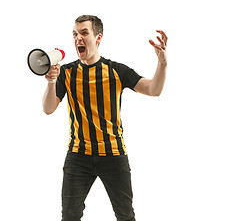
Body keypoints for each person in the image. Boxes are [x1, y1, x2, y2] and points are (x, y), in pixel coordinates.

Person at [42, 15, 167, 221]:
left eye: (84, 33)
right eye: (75, 34)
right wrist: (51, 82)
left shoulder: (116, 70)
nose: (78, 38)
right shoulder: (67, 72)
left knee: (125, 215)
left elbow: (154, 89)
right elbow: (48, 109)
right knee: (70, 216)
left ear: (98, 38)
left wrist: (162, 64)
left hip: (113, 154)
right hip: (78, 155)